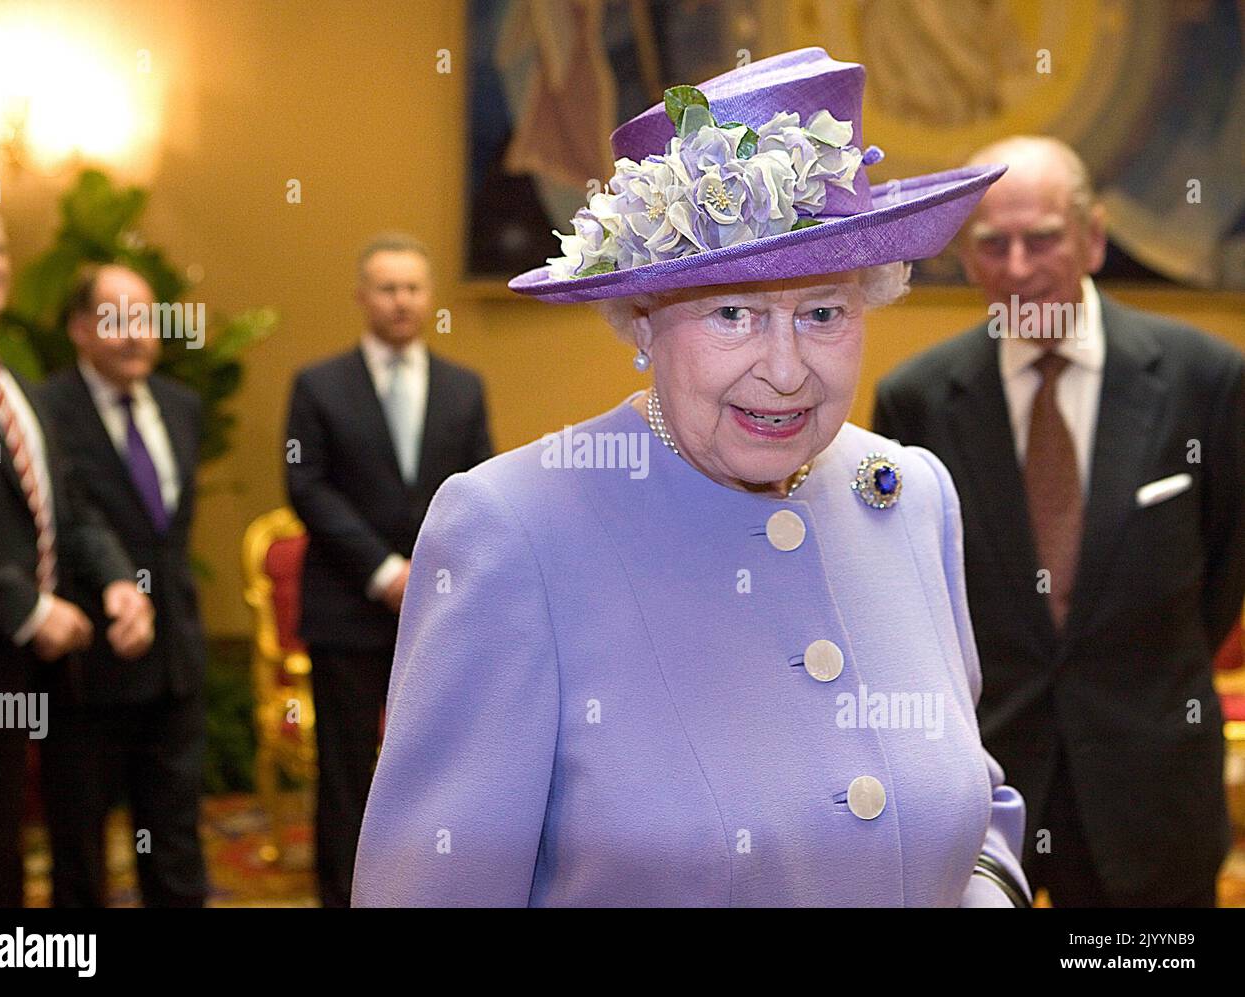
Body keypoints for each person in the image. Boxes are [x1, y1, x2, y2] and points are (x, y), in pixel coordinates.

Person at [352, 48, 1029, 906]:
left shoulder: (912, 494)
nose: (786, 370)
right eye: (732, 312)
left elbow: (975, 800)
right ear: (639, 318)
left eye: (824, 312)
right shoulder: (512, 529)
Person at [873, 136, 1245, 906]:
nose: (1016, 267)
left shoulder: (1205, 380)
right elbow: (909, 600)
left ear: (1093, 237)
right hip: (983, 787)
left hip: (1153, 789)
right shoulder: (915, 400)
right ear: (965, 255)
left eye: (1040, 238)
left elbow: (1224, 569)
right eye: (991, 244)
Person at [0, 193, 153, 907]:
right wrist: (29, 608)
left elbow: (67, 509)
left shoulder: (14, 385)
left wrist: (119, 583)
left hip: (14, 680)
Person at [285, 232, 493, 907]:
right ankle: (344, 895)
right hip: (348, 608)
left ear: (429, 298)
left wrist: (428, 574)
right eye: (387, 287)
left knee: (437, 766)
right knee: (347, 774)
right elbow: (306, 486)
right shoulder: (317, 385)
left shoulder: (465, 388)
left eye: (412, 288)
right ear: (362, 297)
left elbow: (480, 491)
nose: (401, 301)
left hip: (439, 611)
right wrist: (382, 571)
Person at [35, 264, 209, 907]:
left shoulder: (181, 406)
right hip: (87, 666)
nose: (136, 334)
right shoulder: (43, 409)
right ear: (81, 330)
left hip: (174, 663)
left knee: (176, 843)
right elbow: (67, 517)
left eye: (146, 318)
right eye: (116, 319)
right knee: (78, 850)